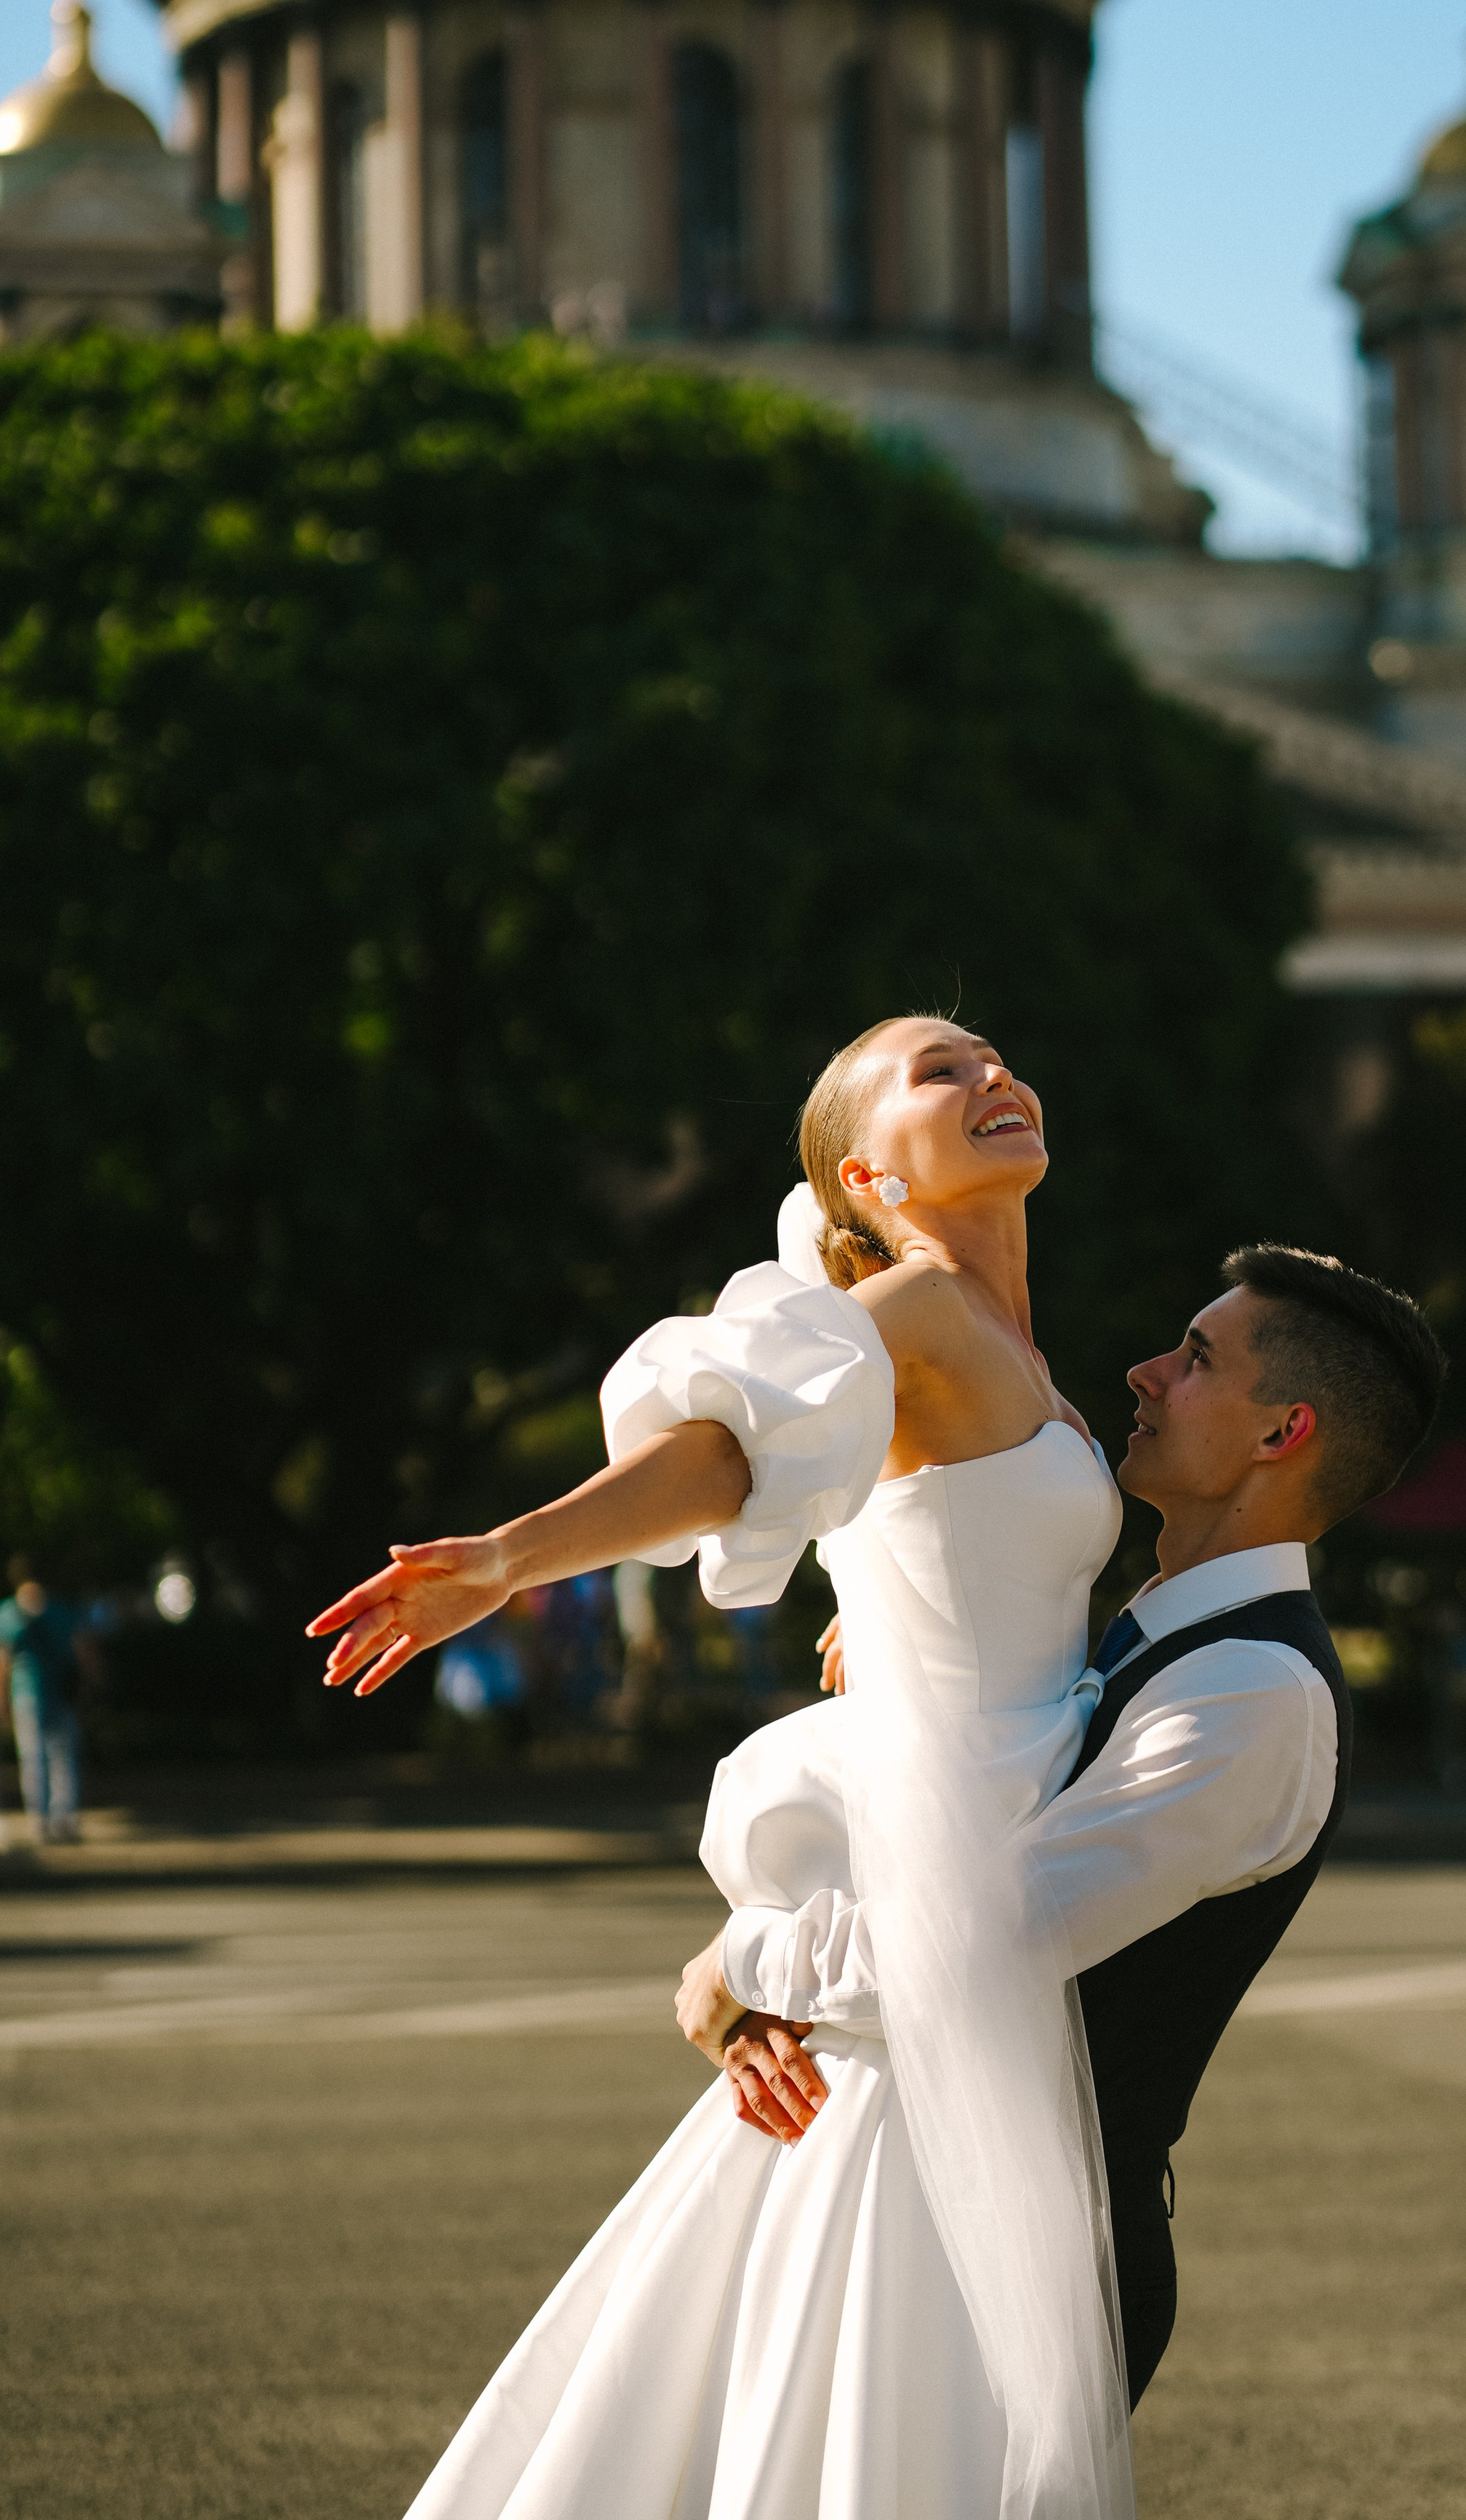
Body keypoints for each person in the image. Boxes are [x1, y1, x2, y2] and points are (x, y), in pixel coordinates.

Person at [311, 1016, 1135, 2520]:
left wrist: (881, 1634)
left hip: (982, 1903)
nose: (995, 1075)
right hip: (938, 1926)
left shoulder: (1001, 1341)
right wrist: (511, 1558)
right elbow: (734, 1451)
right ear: (868, 1172)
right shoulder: (924, 1316)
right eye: (941, 1070)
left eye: (996, 1054)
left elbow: (940, 1551)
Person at [678, 1241, 1446, 2407]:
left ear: (1281, 1434)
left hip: (1038, 2266)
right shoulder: (1137, 1642)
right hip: (937, 2214)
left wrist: (743, 1965)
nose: (1141, 1374)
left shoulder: (1254, 1693)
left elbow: (981, 1944)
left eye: (1193, 1361)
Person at [0, 1562, 92, 1847]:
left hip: (42, 1694)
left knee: (47, 1758)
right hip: (38, 1694)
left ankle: (52, 1819)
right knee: (46, 1758)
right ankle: (51, 1819)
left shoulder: (14, 1614)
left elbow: (4, 1662)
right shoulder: (52, 1612)